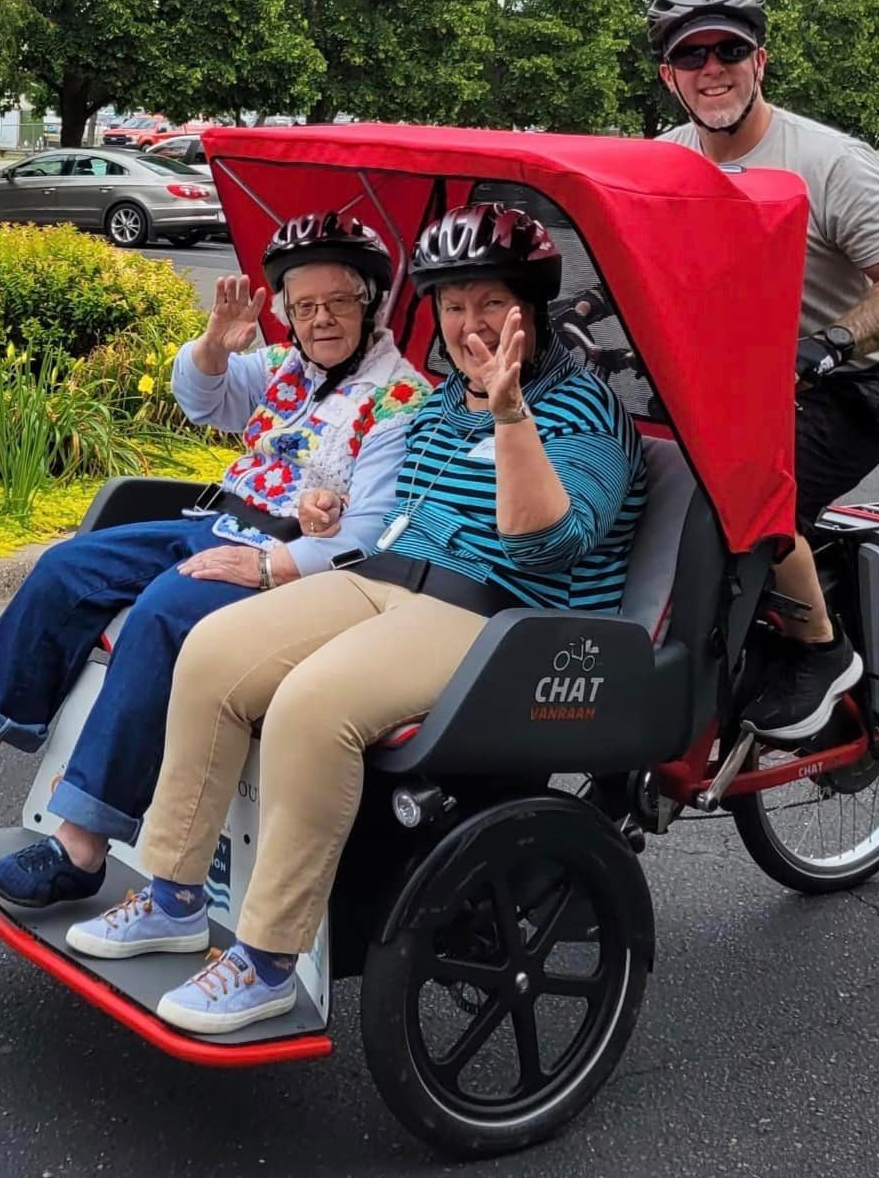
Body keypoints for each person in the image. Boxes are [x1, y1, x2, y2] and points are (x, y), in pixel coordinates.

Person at [59, 202, 648, 1035]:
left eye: (491, 303)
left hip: (500, 616)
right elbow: (406, 512)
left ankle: (266, 959)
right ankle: (173, 895)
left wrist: (512, 410)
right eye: (452, 306)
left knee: (311, 705)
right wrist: (330, 515)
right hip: (390, 580)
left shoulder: (581, 410)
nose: (468, 324)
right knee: (212, 651)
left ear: (533, 307)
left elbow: (547, 542)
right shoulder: (445, 400)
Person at [0, 212, 431, 906]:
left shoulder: (400, 399)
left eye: (338, 302)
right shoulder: (287, 368)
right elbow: (200, 399)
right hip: (213, 519)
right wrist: (214, 348)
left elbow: (370, 532)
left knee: (162, 616)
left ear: (371, 304)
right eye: (303, 306)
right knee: (69, 566)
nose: (319, 320)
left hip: (279, 558)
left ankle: (81, 847)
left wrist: (271, 566)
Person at [648, 0, 879, 743]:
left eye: (729, 51)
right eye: (692, 56)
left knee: (732, 496)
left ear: (760, 61)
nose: (712, 69)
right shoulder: (663, 161)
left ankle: (822, 648)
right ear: (668, 75)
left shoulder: (827, 161)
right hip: (717, 396)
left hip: (841, 394)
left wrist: (826, 346)